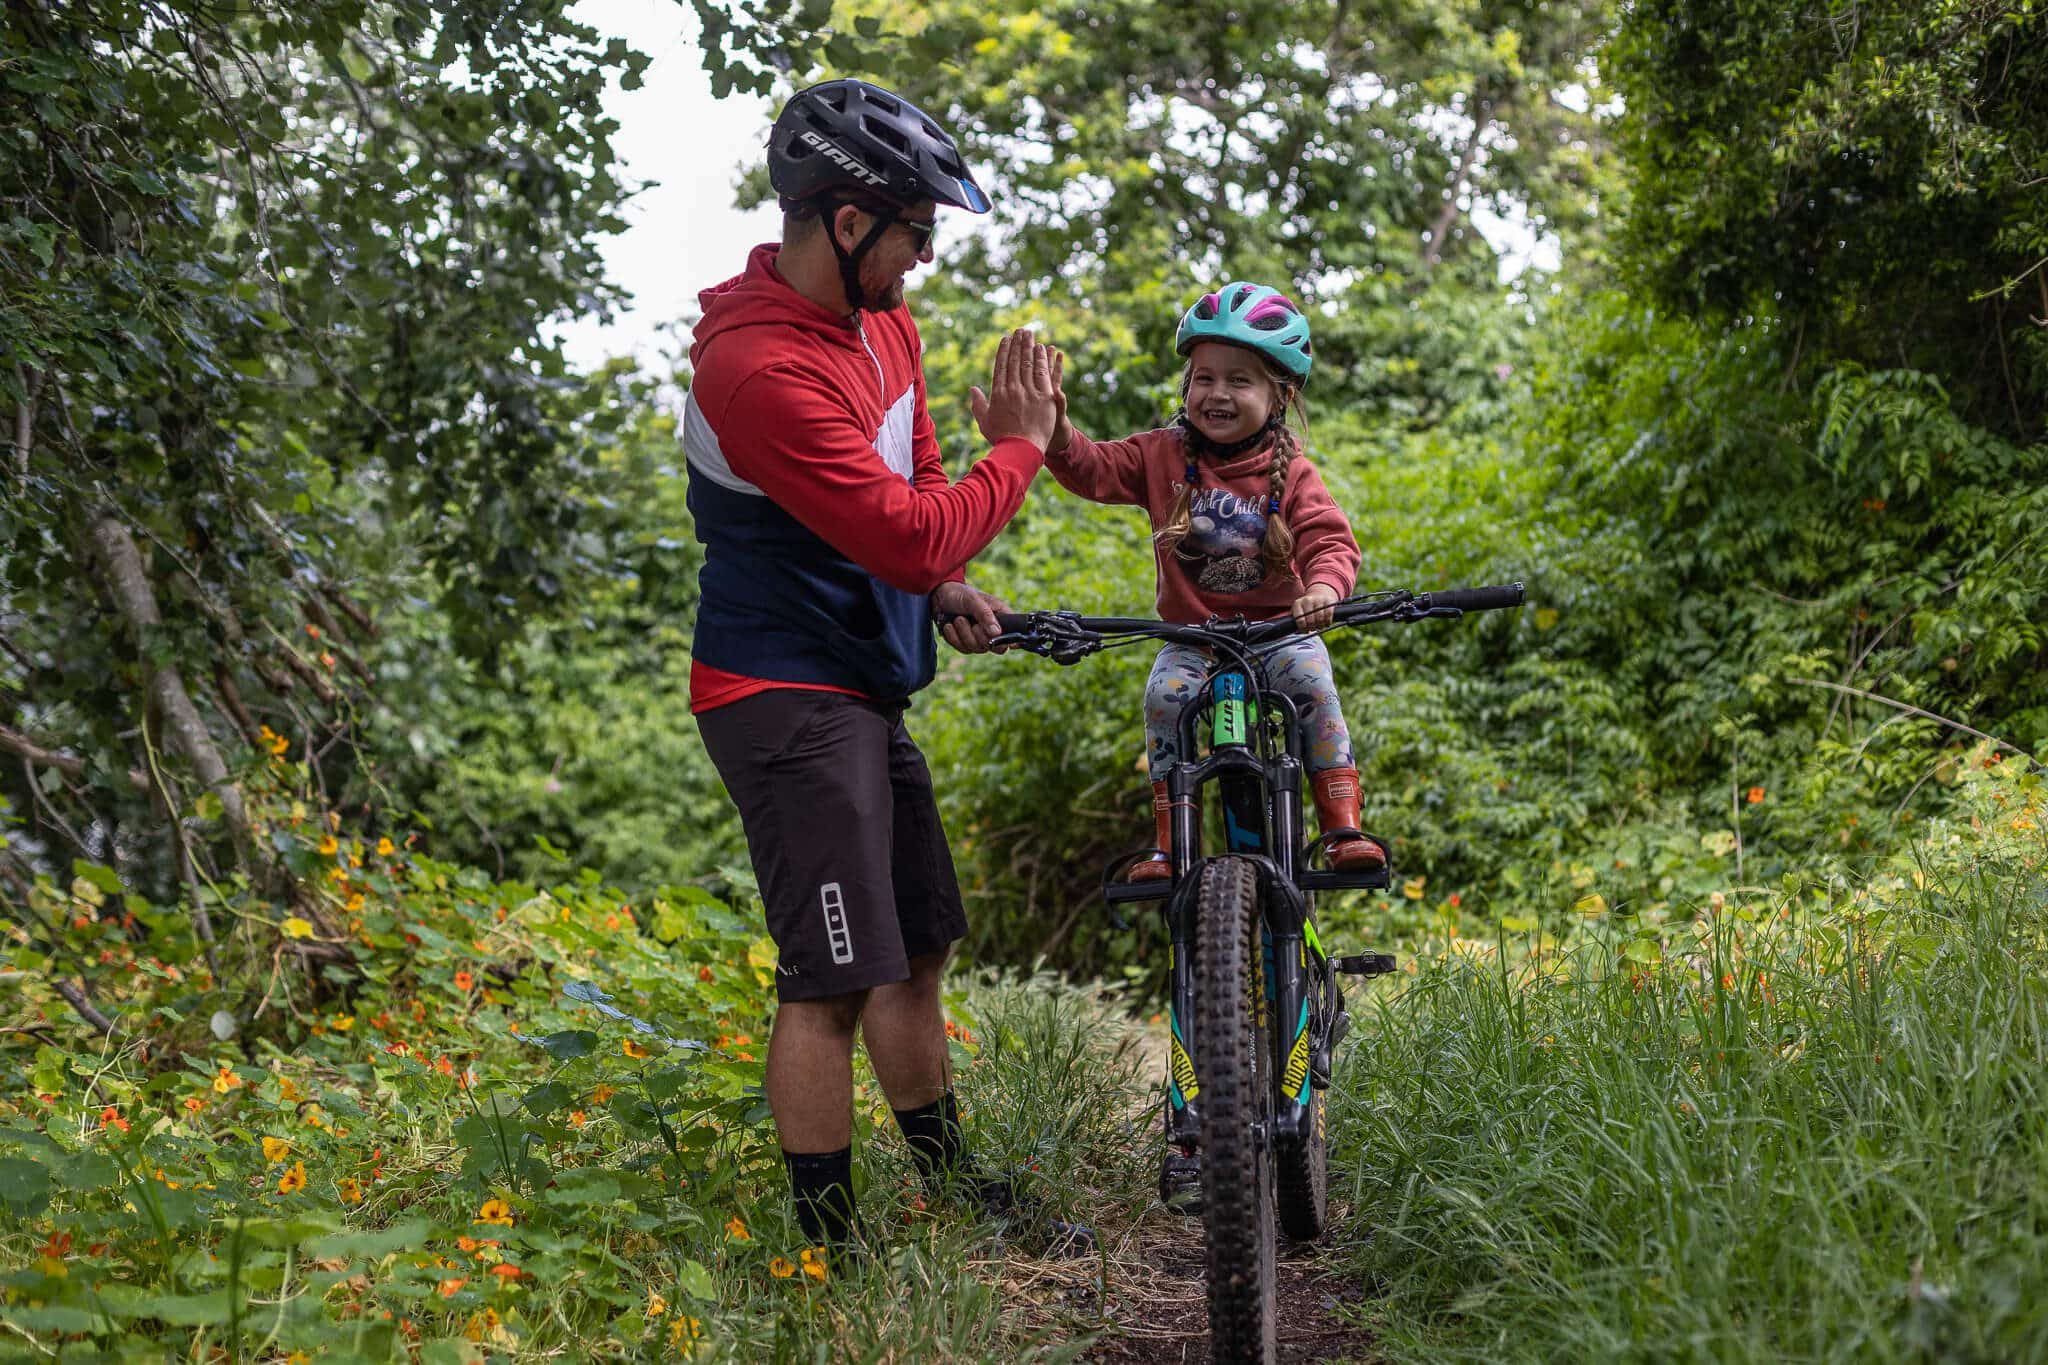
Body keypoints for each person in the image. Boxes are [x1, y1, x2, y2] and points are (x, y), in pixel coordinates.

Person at [682, 77, 1069, 1255]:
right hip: (782, 694)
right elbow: (912, 526)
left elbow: (911, 476)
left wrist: (942, 583)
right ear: (848, 221)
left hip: (860, 686)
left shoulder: (878, 322)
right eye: (917, 231)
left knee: (917, 946)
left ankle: (954, 1190)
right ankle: (826, 1251)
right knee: (832, 979)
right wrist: (1020, 452)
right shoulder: (756, 368)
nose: (924, 260)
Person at [1042, 281, 1385, 880]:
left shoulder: (1294, 473)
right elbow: (1091, 470)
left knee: (1311, 681)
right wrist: (1054, 432)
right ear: (1186, 386)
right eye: (1204, 378)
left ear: (1279, 397)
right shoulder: (1160, 456)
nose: (1217, 393)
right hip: (1194, 638)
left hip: (1280, 632)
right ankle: (1171, 845)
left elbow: (1330, 540)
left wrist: (1324, 589)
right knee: (1164, 699)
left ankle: (1341, 826)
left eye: (1239, 380)